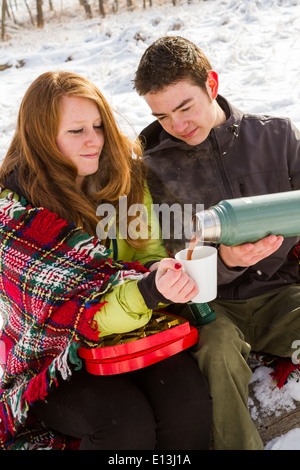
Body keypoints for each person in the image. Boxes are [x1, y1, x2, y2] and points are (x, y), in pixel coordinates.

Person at [0, 71, 213, 450]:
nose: (95, 140)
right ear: (42, 139)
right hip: (51, 357)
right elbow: (79, 309)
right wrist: (147, 290)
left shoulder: (122, 176)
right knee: (124, 422)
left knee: (188, 403)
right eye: (77, 130)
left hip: (132, 335)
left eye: (98, 125)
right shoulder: (16, 215)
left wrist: (159, 274)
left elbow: (145, 252)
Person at [133, 36, 300, 450]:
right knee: (219, 353)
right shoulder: (150, 171)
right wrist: (225, 260)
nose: (177, 125)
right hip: (210, 307)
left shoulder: (276, 137)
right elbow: (166, 258)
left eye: (185, 107)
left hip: (282, 294)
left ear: (211, 83)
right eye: (162, 116)